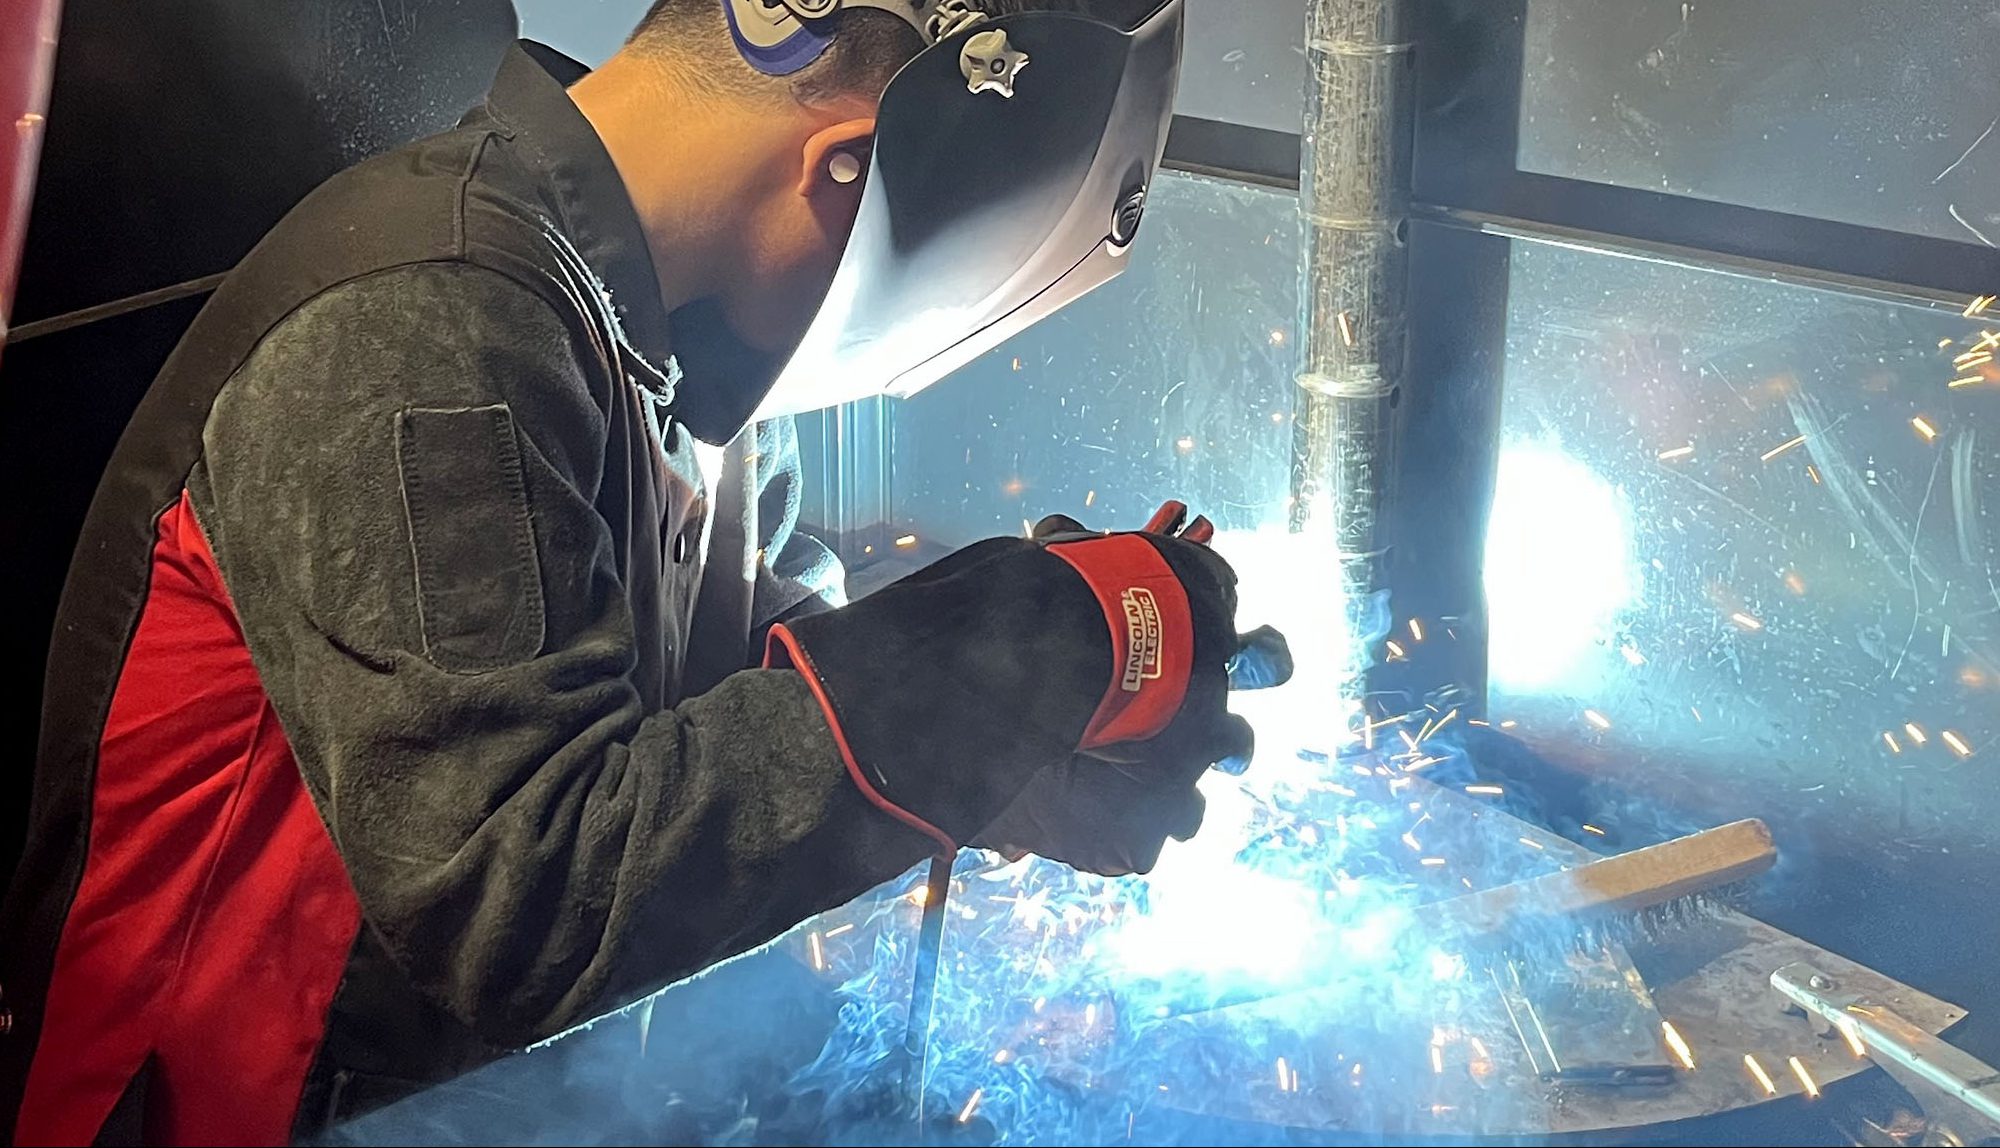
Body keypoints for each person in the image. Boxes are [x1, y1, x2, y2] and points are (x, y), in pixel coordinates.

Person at [1, 1, 1284, 1143]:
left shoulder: (655, 347)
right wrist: (1011, 645)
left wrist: (1010, 742)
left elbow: (766, 669)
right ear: (842, 169)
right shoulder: (424, 326)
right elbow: (524, 892)